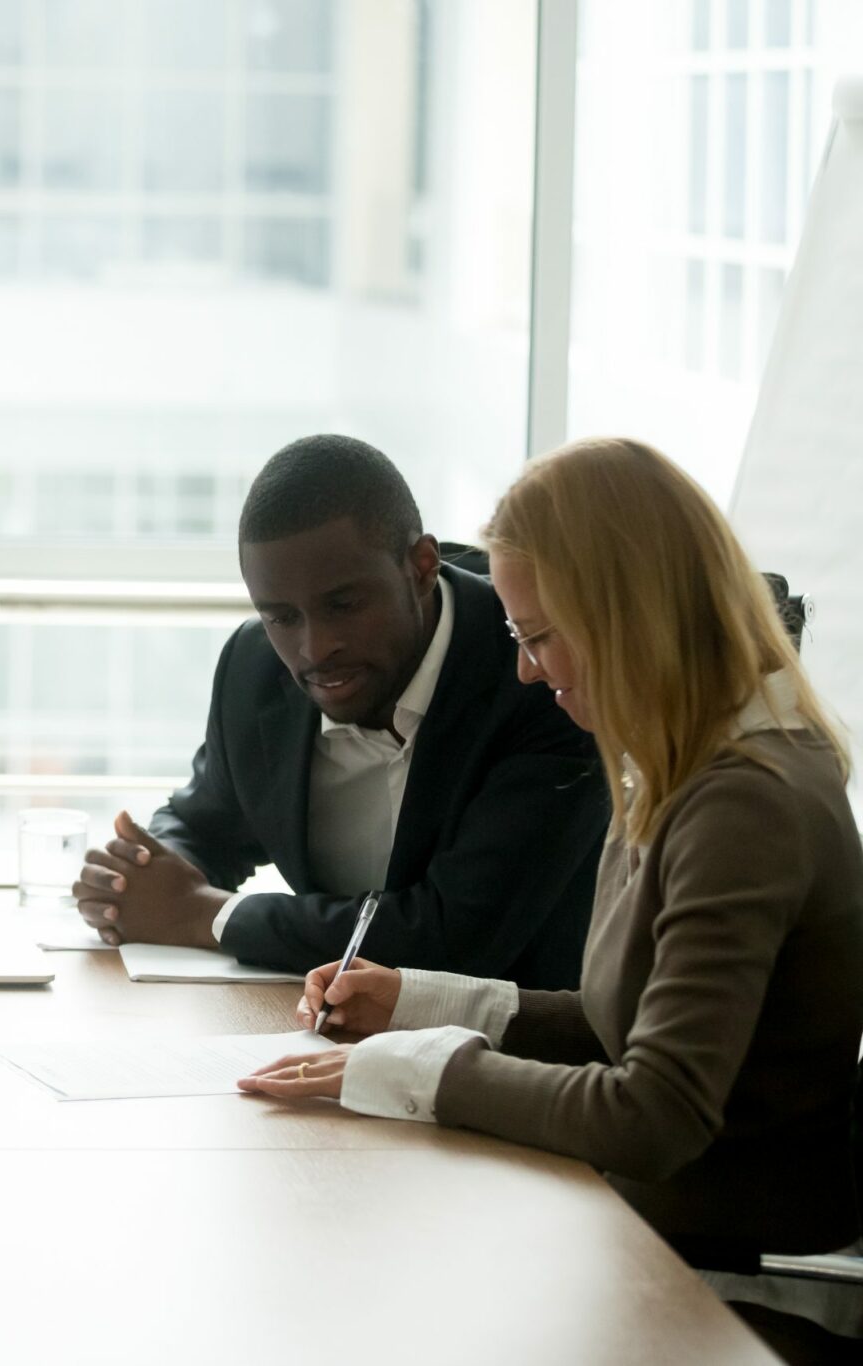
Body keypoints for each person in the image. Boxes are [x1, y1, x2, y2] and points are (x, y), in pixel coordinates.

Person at [239, 437, 863, 1279]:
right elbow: (625, 1024)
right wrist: (416, 1001)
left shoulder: (742, 802)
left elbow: (652, 1112)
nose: (527, 673)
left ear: (626, 617)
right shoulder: (681, 759)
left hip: (707, 1261)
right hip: (647, 1225)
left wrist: (410, 1069)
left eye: (538, 637)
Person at [74, 434, 608, 987]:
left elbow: (456, 938)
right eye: (281, 616)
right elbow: (204, 824)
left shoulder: (538, 672)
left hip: (520, 1048)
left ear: (422, 566)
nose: (314, 648)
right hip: (320, 1027)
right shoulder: (254, 668)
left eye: (344, 605)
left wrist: (203, 914)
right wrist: (136, 881)